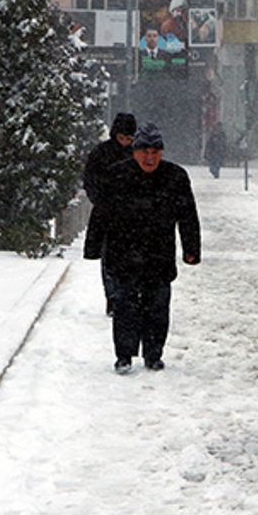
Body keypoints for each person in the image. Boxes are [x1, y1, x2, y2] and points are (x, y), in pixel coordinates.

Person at [87, 123, 201, 374]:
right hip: (123, 250)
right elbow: (101, 213)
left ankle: (153, 354)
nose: (150, 158)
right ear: (135, 152)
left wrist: (191, 248)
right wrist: (94, 245)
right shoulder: (116, 175)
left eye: (156, 152)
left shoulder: (175, 177)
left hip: (158, 252)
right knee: (125, 305)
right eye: (144, 152)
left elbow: (188, 215)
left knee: (157, 306)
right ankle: (124, 355)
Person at [82, 112, 136, 315]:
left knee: (131, 258)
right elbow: (90, 179)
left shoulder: (136, 154)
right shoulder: (100, 153)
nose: (125, 142)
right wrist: (102, 200)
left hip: (133, 217)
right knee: (109, 258)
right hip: (107, 215)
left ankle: (127, 295)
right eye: (122, 137)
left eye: (129, 139)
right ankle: (113, 297)